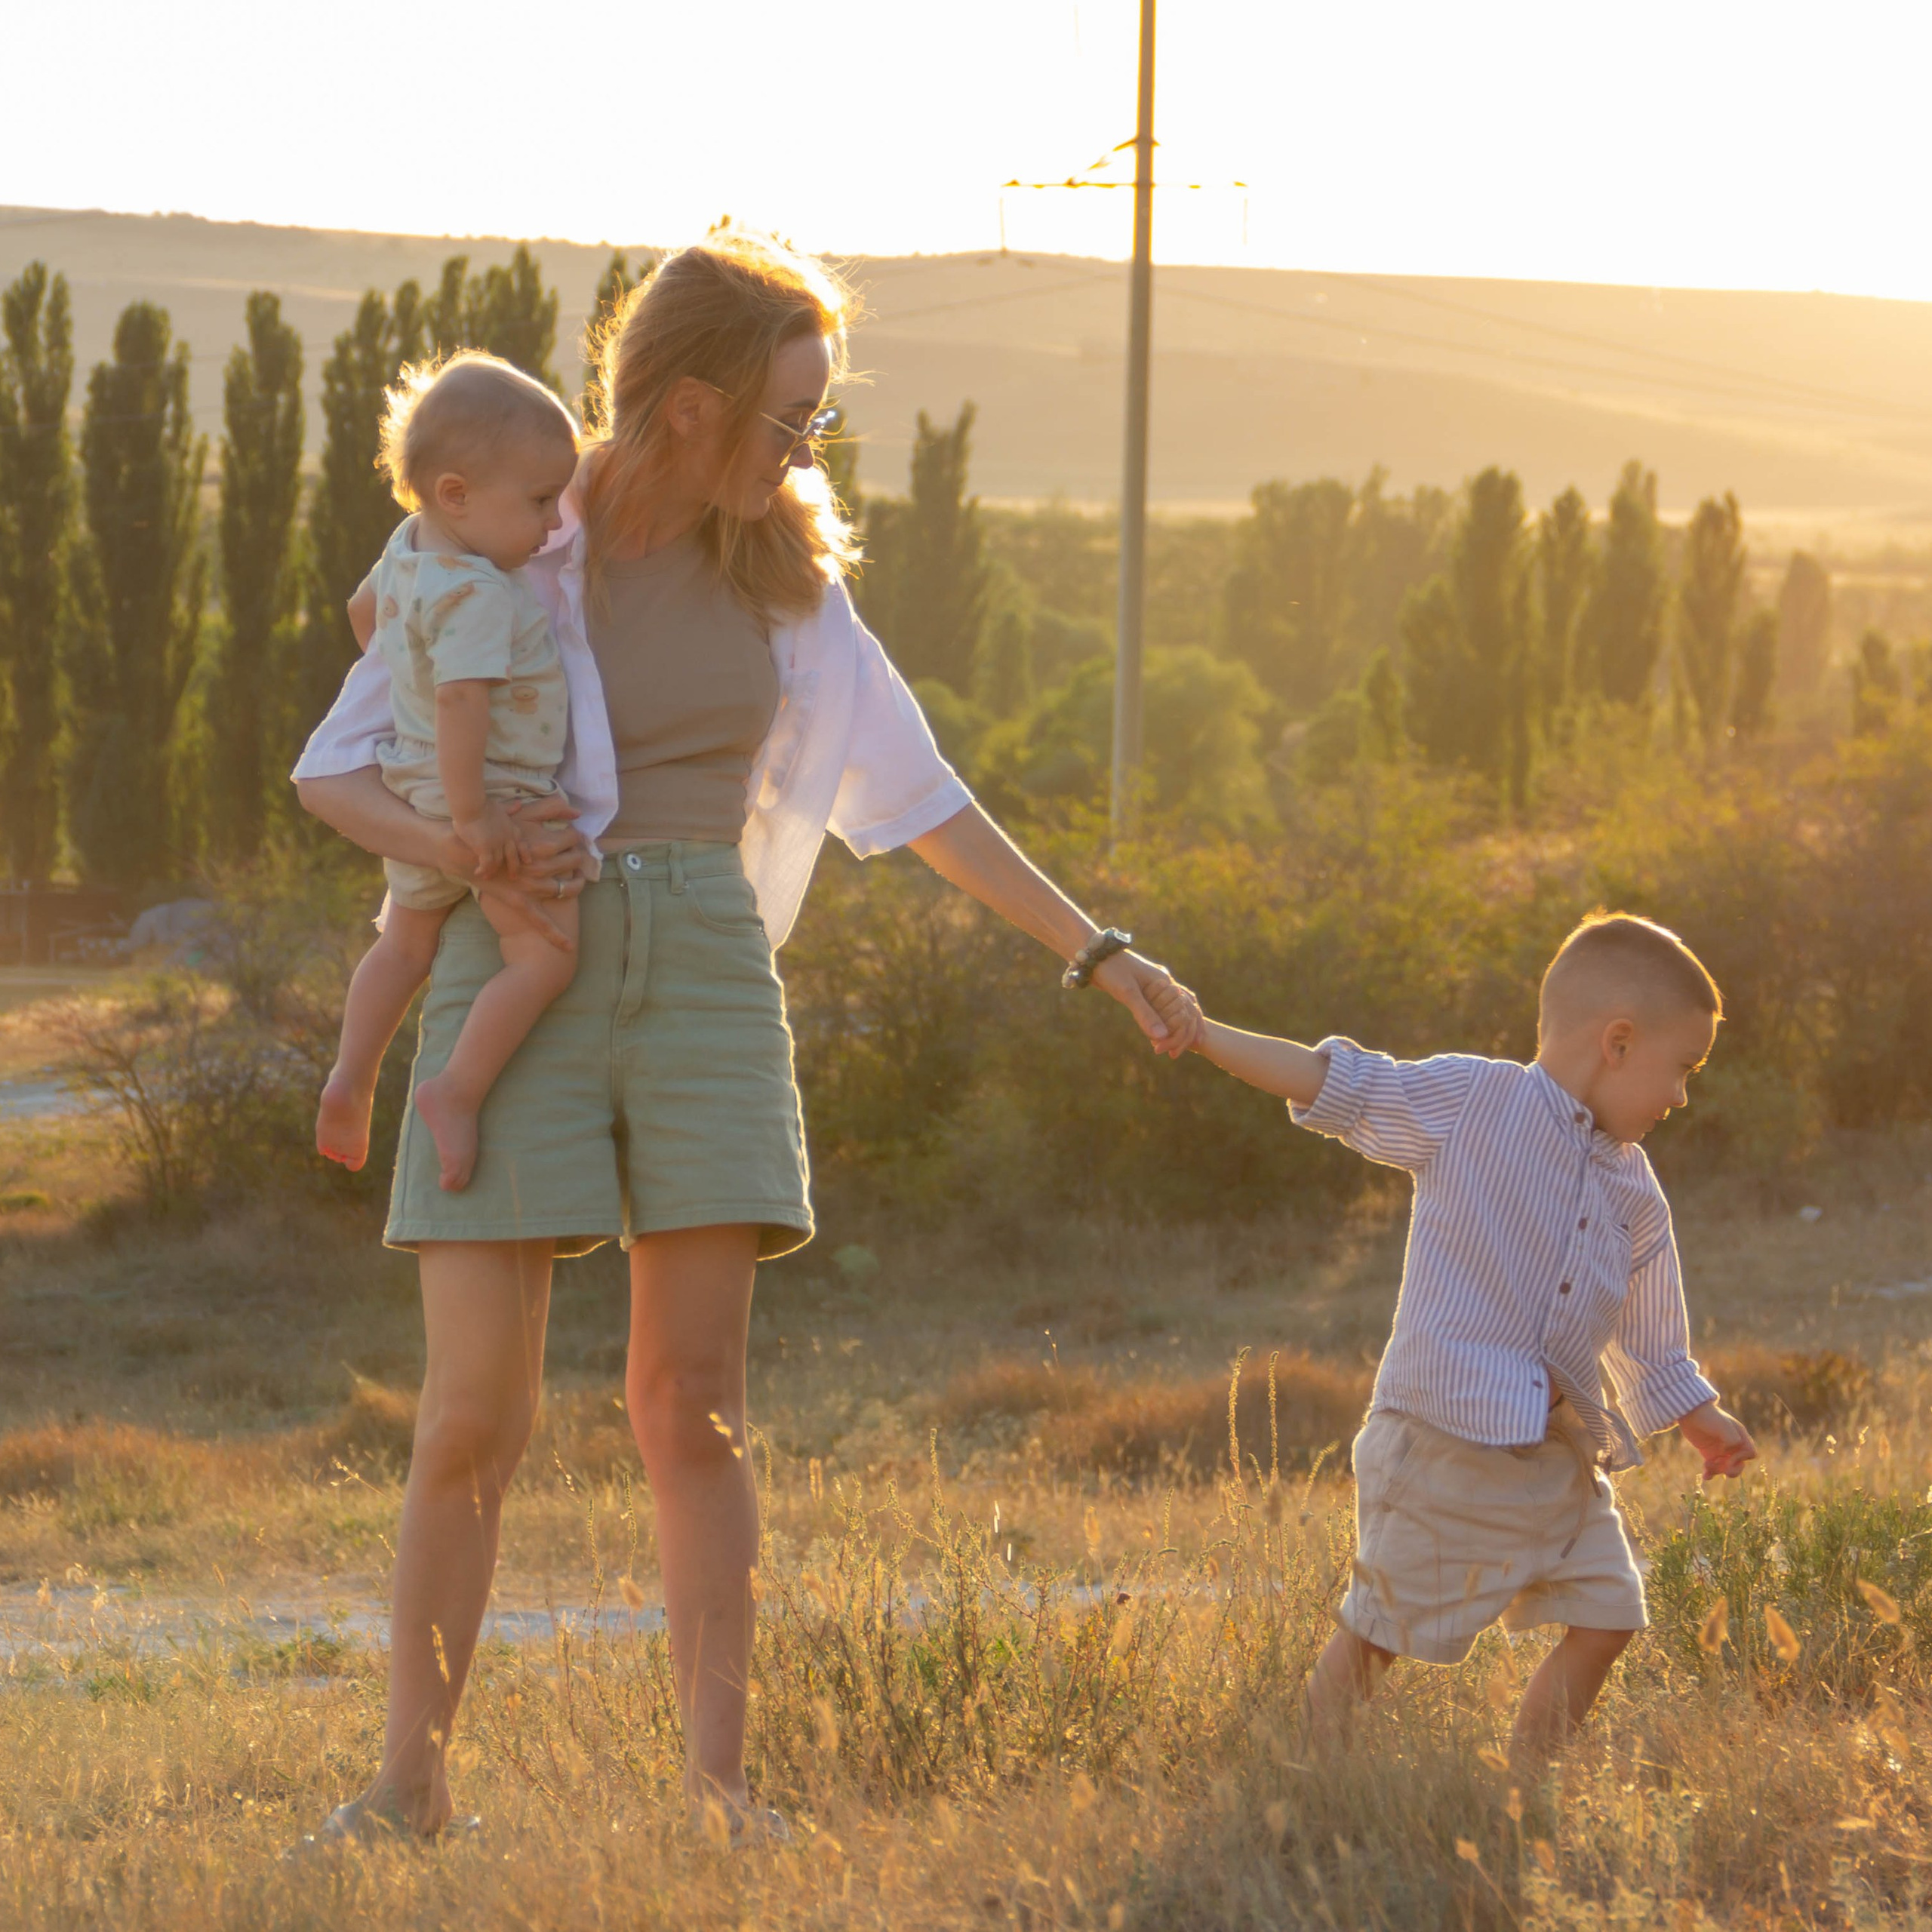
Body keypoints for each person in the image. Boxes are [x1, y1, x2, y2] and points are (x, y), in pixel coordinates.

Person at [288, 231, 1202, 1847]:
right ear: (694, 401)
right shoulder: (504, 536)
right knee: (471, 1413)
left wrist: (1099, 952)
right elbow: (345, 763)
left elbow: (925, 802)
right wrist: (470, 853)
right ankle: (402, 1789)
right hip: (524, 957)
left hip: (707, 965)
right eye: (793, 416)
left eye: (819, 423)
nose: (808, 449)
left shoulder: (788, 582)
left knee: (686, 1400)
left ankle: (721, 1794)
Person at [1180, 911, 1756, 1763]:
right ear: (1619, 1042)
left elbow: (1650, 1334)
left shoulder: (1635, 1188)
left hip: (1559, 1454)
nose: (1681, 1095)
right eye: (1682, 1068)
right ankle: (1310, 1773)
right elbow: (1337, 1083)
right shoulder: (1475, 1101)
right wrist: (1200, 1033)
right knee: (1381, 1629)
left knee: (1609, 1615)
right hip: (1444, 1436)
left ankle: (1525, 1778)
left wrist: (1696, 1415)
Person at [315, 353, 586, 1192]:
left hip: (412, 781)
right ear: (458, 494)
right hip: (493, 794)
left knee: (404, 943)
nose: (552, 525)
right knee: (544, 958)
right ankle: (455, 1091)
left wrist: (404, 666)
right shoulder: (477, 592)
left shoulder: (407, 551)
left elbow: (365, 615)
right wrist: (474, 821)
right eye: (539, 502)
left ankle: (351, 1077)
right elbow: (466, 704)